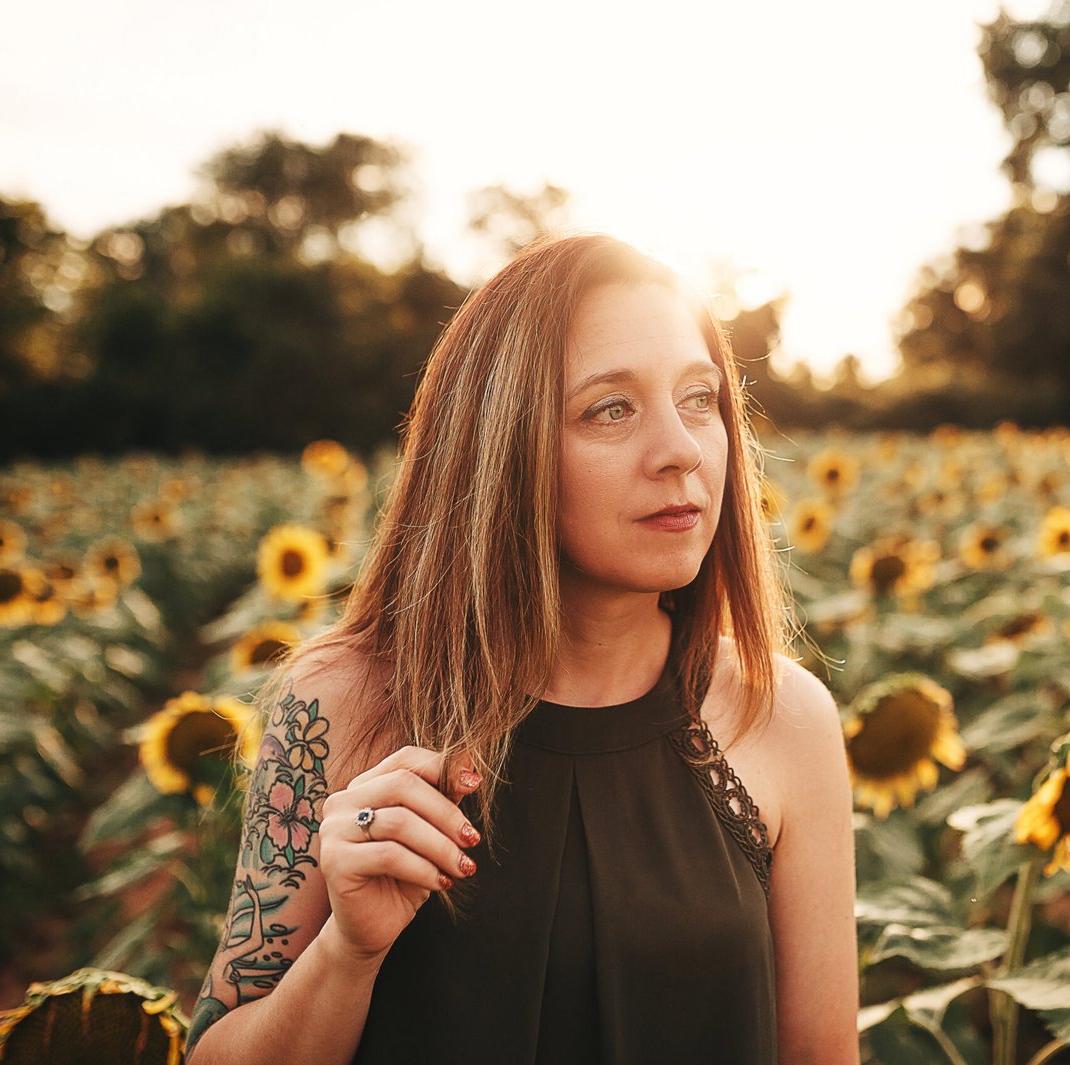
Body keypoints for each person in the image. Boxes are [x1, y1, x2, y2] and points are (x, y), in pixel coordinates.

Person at [184, 233, 858, 1064]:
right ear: (499, 449)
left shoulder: (783, 714)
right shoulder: (343, 701)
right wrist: (346, 953)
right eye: (610, 408)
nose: (682, 448)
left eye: (700, 398)